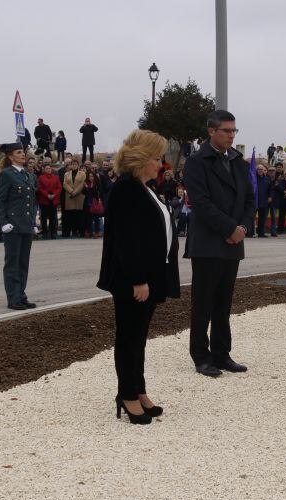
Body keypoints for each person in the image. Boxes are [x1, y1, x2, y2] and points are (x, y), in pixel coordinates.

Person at [96, 129, 181, 425]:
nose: (161, 164)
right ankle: (127, 394)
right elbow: (126, 240)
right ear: (141, 159)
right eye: (157, 158)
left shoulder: (144, 188)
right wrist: (138, 279)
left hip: (149, 277)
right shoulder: (125, 189)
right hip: (133, 280)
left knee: (139, 338)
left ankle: (138, 389)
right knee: (129, 337)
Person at [183, 110, 254, 377]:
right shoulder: (197, 161)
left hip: (233, 241)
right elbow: (200, 203)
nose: (231, 135)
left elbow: (249, 200)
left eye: (234, 131)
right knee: (203, 303)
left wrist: (243, 228)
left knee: (224, 303)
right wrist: (230, 228)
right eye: (226, 130)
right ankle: (201, 357)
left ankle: (222, 354)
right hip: (209, 242)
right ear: (211, 131)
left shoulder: (237, 161)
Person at [0, 142, 38, 310]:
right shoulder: (7, 174)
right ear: (11, 156)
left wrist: (33, 223)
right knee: (12, 263)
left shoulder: (29, 175)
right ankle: (13, 298)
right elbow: (0, 201)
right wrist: (3, 223)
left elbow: (31, 203)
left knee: (23, 263)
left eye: (23, 152)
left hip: (26, 225)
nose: (23, 155)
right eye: (19, 152)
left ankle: (21, 295)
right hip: (12, 226)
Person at [62, 159, 87, 237]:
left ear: (78, 165)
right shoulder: (66, 174)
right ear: (70, 165)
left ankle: (79, 232)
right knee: (70, 215)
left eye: (75, 164)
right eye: (72, 164)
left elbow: (82, 184)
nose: (74, 165)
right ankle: (72, 231)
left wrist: (75, 192)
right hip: (69, 197)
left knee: (79, 215)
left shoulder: (82, 173)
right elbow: (65, 184)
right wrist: (71, 191)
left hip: (79, 196)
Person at [37, 164, 60, 239]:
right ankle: (45, 232)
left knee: (53, 217)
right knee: (43, 218)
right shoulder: (41, 177)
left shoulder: (55, 177)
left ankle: (52, 232)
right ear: (44, 169)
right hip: (44, 200)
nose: (48, 169)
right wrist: (47, 195)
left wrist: (54, 194)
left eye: (49, 168)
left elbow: (59, 187)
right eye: (46, 168)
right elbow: (40, 188)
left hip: (53, 200)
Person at [251, 163, 272, 237]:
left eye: (261, 169)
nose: (260, 171)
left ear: (264, 170)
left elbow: (270, 189)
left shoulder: (267, 179)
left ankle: (261, 233)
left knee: (262, 218)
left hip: (264, 201)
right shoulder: (253, 179)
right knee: (251, 218)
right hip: (255, 201)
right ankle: (251, 233)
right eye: (258, 169)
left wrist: (270, 196)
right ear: (256, 170)